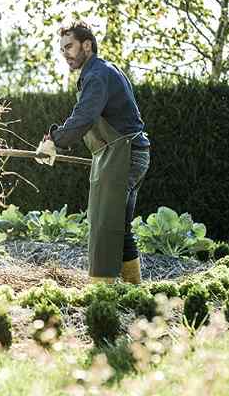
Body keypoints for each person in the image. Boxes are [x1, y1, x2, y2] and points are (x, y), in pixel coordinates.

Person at [37, 21, 151, 284]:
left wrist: (55, 140)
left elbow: (84, 117)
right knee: (119, 226)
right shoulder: (102, 71)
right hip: (128, 151)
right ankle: (134, 289)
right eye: (62, 49)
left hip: (125, 153)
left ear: (87, 45)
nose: (65, 53)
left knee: (104, 223)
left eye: (70, 47)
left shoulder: (97, 75)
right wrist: (56, 138)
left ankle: (102, 292)